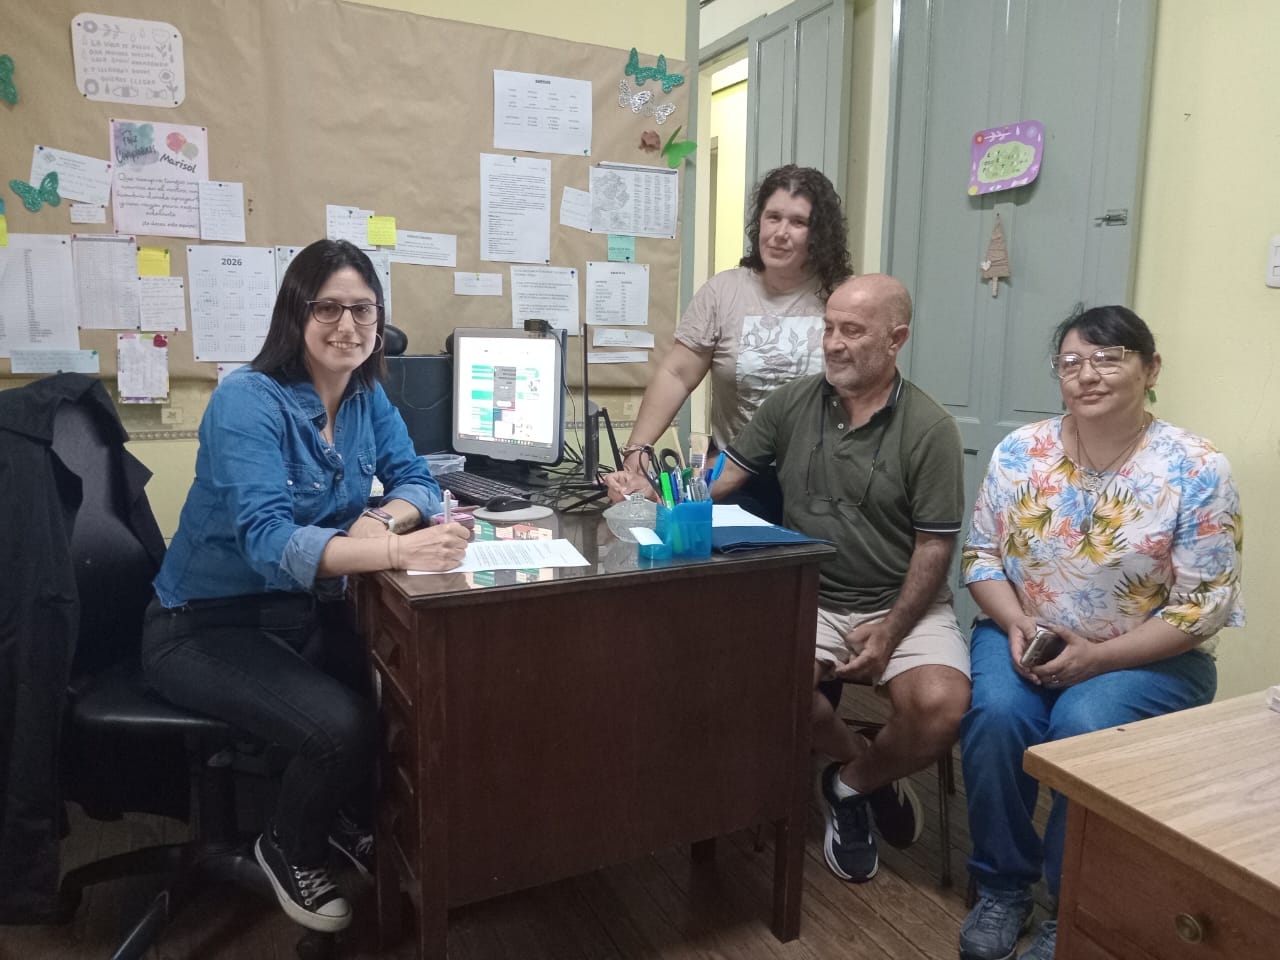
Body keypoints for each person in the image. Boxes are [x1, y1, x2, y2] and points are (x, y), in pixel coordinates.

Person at [140, 239, 470, 933]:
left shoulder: (365, 396)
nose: (347, 325)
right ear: (295, 314)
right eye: (328, 308)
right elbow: (267, 540)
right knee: (342, 729)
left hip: (292, 612)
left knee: (395, 690)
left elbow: (416, 479)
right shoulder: (246, 401)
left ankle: (343, 816)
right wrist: (392, 548)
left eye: (362, 309)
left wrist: (379, 520)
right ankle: (287, 845)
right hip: (200, 626)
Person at [957, 305, 1244, 960]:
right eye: (1072, 362)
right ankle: (1002, 886)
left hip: (1148, 657)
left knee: (1083, 725)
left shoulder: (1197, 467)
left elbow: (1203, 606)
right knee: (997, 716)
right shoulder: (1019, 452)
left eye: (1109, 358)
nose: (1088, 374)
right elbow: (980, 557)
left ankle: (1075, 907)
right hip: (1023, 637)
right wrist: (1013, 621)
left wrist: (1098, 658)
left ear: (1152, 369)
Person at [714, 274, 971, 882]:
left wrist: (890, 632)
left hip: (902, 601)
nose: (832, 343)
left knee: (942, 708)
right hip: (811, 595)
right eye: (828, 328)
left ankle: (849, 786)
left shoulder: (930, 429)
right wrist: (656, 497)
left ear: (895, 339)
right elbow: (721, 482)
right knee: (767, 689)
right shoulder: (790, 404)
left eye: (852, 331)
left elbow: (935, 547)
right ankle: (864, 769)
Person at [605, 164, 852, 522]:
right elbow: (677, 374)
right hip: (735, 476)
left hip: (822, 478)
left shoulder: (843, 297)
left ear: (819, 233)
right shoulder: (724, 292)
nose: (780, 233)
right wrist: (636, 453)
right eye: (773, 217)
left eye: (798, 222)